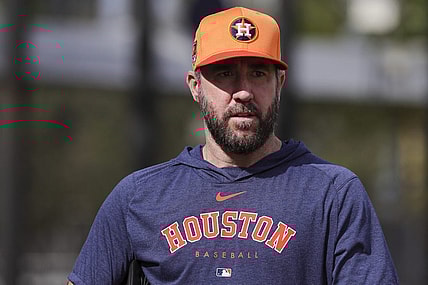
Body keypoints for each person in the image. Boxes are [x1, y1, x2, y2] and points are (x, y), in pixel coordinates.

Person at [67, 7, 399, 285]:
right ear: (195, 87)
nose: (243, 92)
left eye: (257, 74)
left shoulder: (334, 194)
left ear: (279, 84)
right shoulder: (137, 197)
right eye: (225, 74)